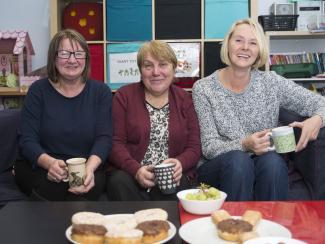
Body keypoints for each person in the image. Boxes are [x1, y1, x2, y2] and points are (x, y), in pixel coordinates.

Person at [192, 18, 325, 201]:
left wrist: (317, 119)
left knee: (273, 162)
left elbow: (320, 103)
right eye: (238, 40)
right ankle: (235, 228)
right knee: (239, 160)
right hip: (219, 165)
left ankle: (272, 227)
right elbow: (208, 147)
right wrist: (245, 145)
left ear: (259, 50)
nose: (245, 47)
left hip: (264, 161)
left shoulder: (271, 82)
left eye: (253, 43)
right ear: (228, 44)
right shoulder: (204, 88)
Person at [15, 29, 112, 201]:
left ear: (86, 59)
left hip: (87, 166)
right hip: (42, 166)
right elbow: (27, 140)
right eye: (65, 53)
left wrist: (89, 168)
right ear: (54, 58)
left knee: (84, 193)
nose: (72, 60)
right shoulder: (38, 91)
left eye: (78, 54)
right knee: (53, 190)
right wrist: (49, 163)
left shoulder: (101, 92)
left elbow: (104, 138)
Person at [107, 40, 201, 201]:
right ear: (140, 70)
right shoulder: (124, 96)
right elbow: (115, 143)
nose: (156, 72)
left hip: (171, 176)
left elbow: (194, 147)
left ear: (173, 68)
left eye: (163, 65)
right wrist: (136, 170)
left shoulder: (184, 99)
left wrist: (180, 163)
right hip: (132, 175)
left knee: (175, 187)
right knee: (118, 181)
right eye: (148, 66)